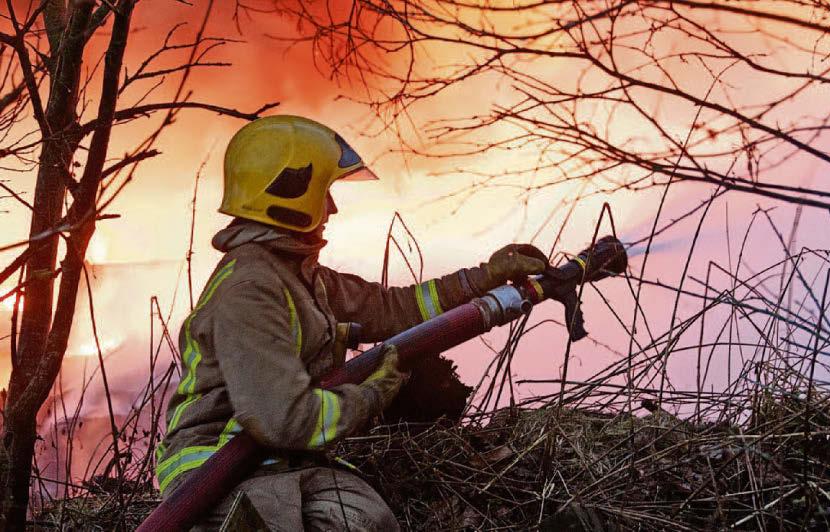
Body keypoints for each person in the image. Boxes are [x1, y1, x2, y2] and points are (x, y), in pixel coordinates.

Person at [155, 115, 549, 531]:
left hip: (278, 462)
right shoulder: (250, 291)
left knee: (370, 522)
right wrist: (370, 397)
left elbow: (393, 309)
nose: (332, 207)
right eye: (324, 192)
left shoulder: (297, 276)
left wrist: (481, 278)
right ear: (292, 191)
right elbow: (286, 420)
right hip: (217, 469)